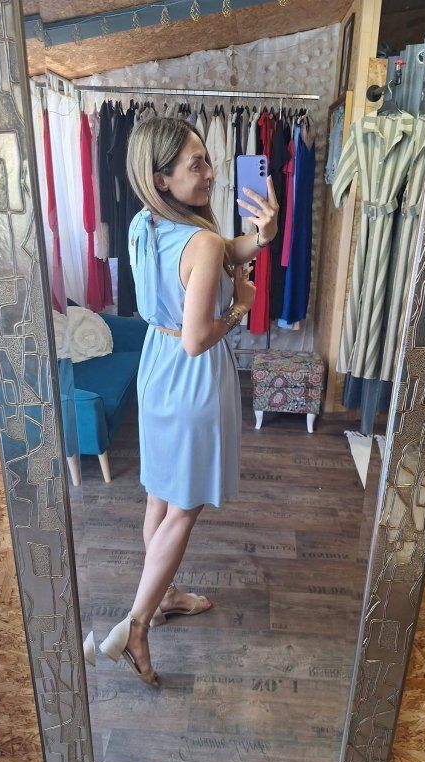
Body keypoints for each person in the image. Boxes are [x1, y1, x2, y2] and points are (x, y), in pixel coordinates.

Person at [83, 116, 279, 687]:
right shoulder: (204, 240)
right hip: (192, 378)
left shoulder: (144, 223)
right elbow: (198, 338)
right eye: (197, 164)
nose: (211, 172)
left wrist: (262, 236)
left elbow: (210, 257)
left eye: (208, 159)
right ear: (161, 178)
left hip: (156, 368)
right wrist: (240, 305)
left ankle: (163, 595)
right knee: (184, 507)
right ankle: (137, 625)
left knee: (159, 498)